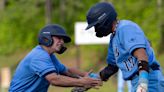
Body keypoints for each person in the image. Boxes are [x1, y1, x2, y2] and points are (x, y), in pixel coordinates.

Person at [85, 2, 164, 92]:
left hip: (149, 79)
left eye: (96, 25)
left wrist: (143, 83)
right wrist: (89, 82)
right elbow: (112, 68)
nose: (96, 30)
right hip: (137, 81)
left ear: (105, 20)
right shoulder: (114, 38)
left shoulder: (125, 28)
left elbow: (142, 55)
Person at [9, 24, 102, 92]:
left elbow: (67, 71)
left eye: (63, 40)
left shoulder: (49, 56)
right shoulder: (39, 56)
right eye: (59, 38)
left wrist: (90, 77)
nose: (62, 42)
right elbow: (54, 79)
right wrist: (82, 82)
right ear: (46, 37)